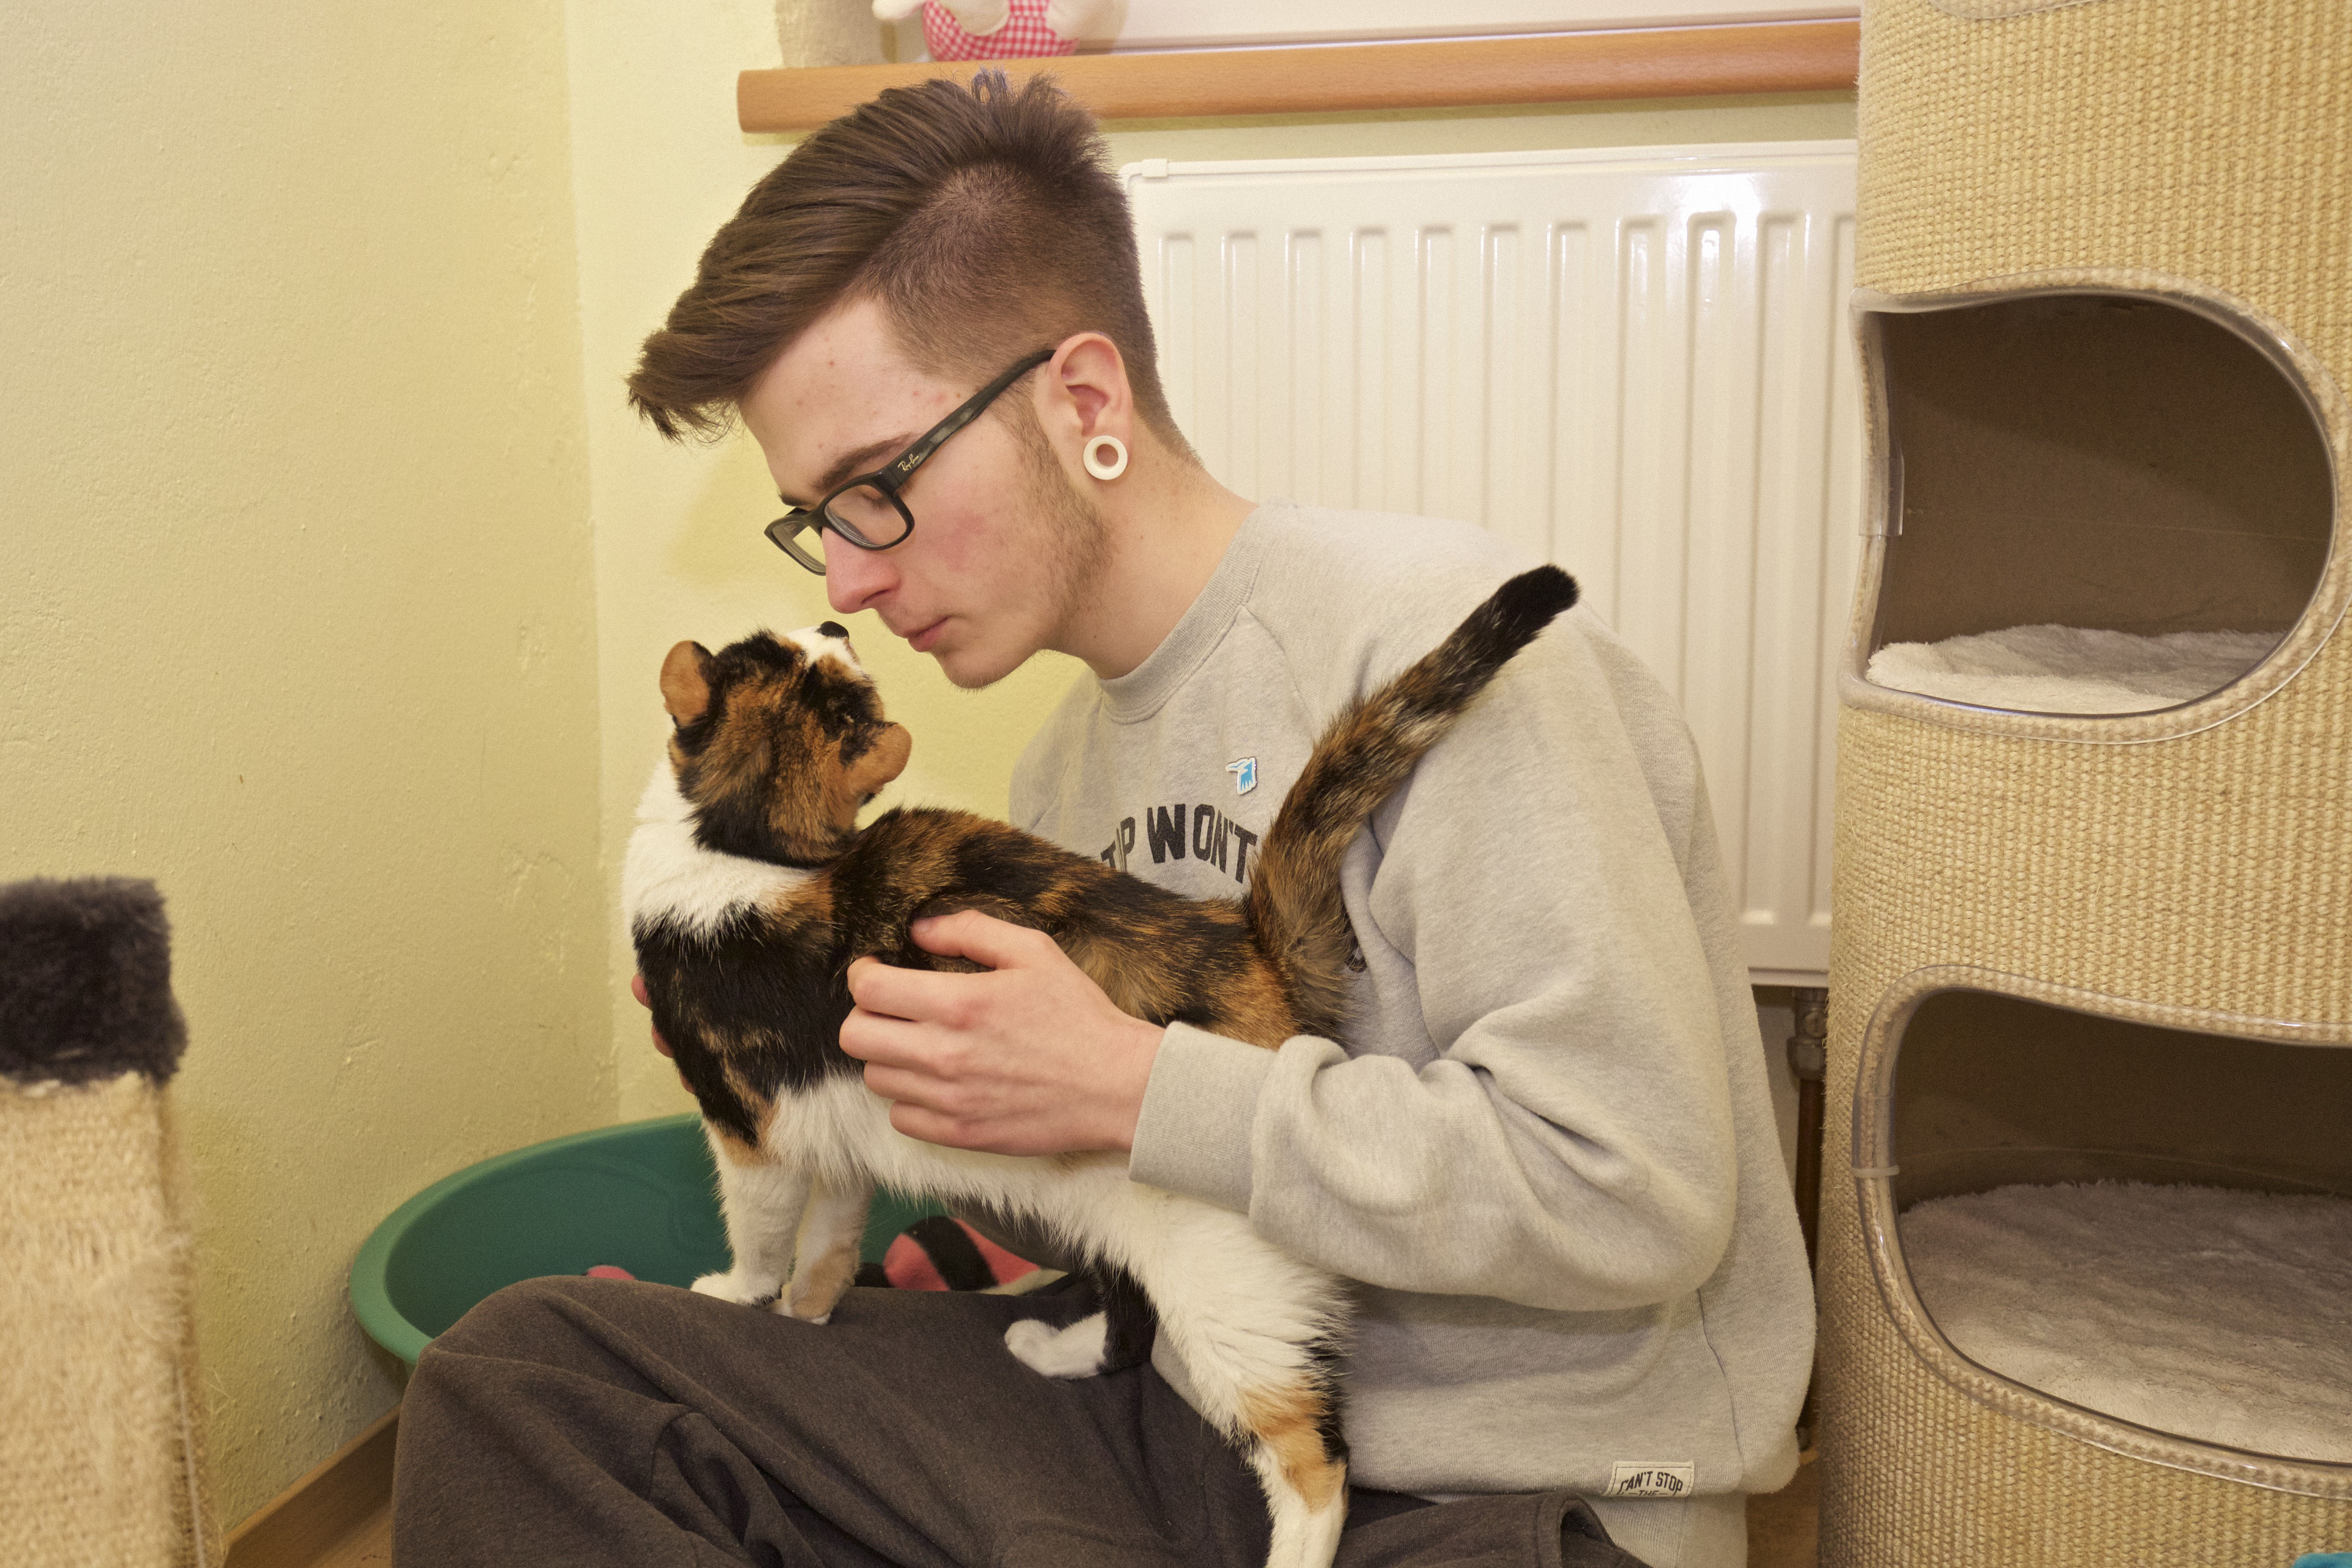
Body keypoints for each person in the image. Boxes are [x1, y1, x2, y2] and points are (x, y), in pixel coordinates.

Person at [391, 73, 1812, 1568]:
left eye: (871, 489)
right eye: (816, 520)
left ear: (1081, 403)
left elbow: (1634, 1192)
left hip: (1504, 1496)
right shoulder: (1062, 771)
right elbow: (1107, 1199)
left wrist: (1139, 1088)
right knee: (524, 1375)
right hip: (1163, 1420)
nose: (848, 580)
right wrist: (839, 1054)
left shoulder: (1437, 646)